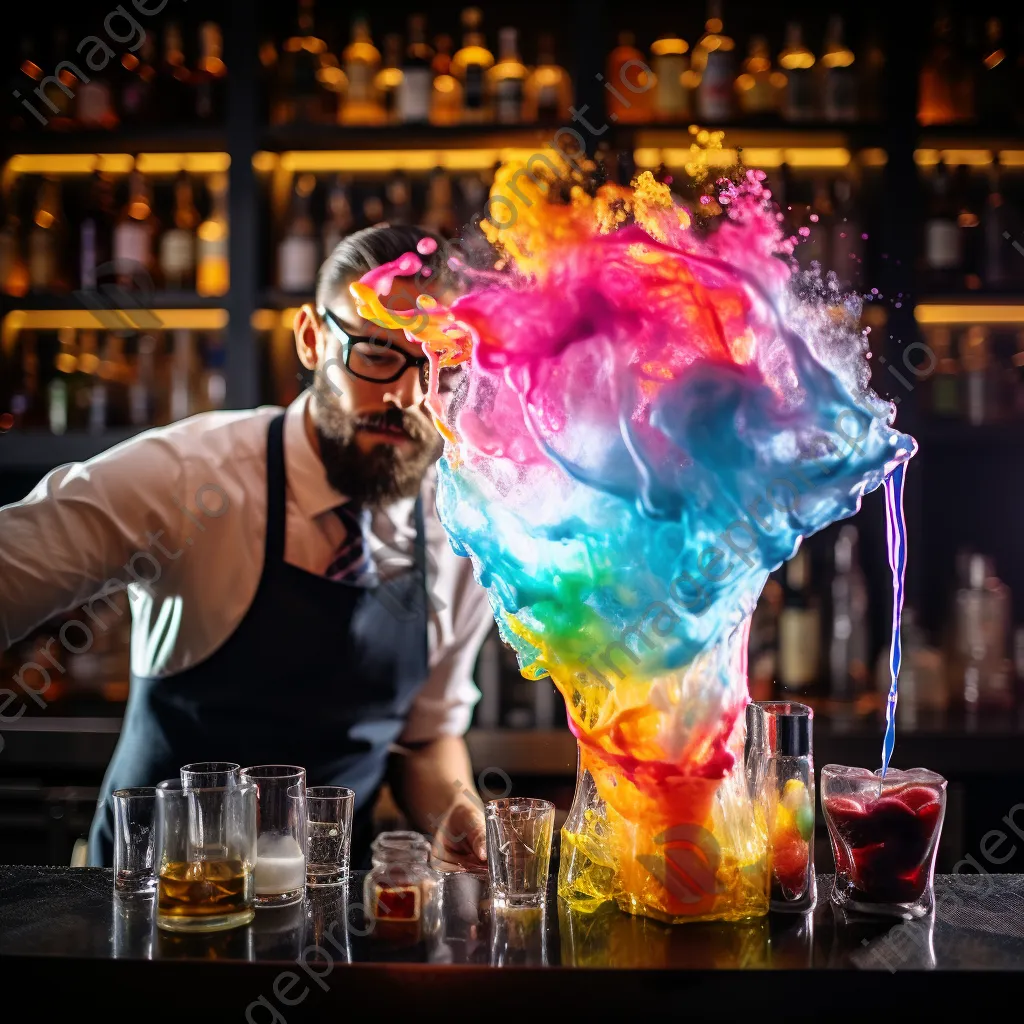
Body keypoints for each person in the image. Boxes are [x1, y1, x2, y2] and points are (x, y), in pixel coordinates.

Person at [0, 224, 495, 868]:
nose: (406, 397)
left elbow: (426, 740)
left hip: (327, 922)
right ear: (312, 339)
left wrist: (456, 808)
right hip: (151, 913)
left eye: (442, 367)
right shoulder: (189, 477)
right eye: (376, 354)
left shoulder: (462, 529)